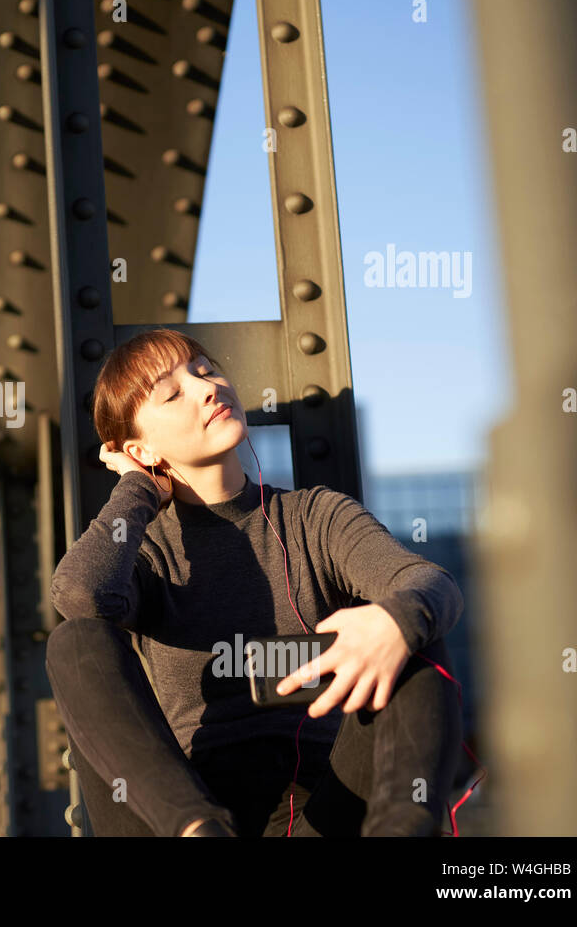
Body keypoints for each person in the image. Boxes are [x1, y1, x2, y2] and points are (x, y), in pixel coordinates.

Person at [45, 328, 465, 837]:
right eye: (173, 394)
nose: (207, 389)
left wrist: (393, 622)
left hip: (325, 809)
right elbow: (79, 596)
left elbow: (428, 581)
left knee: (411, 628)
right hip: (187, 807)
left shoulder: (315, 517)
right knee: (75, 640)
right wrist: (138, 487)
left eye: (205, 371)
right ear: (139, 448)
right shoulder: (147, 553)